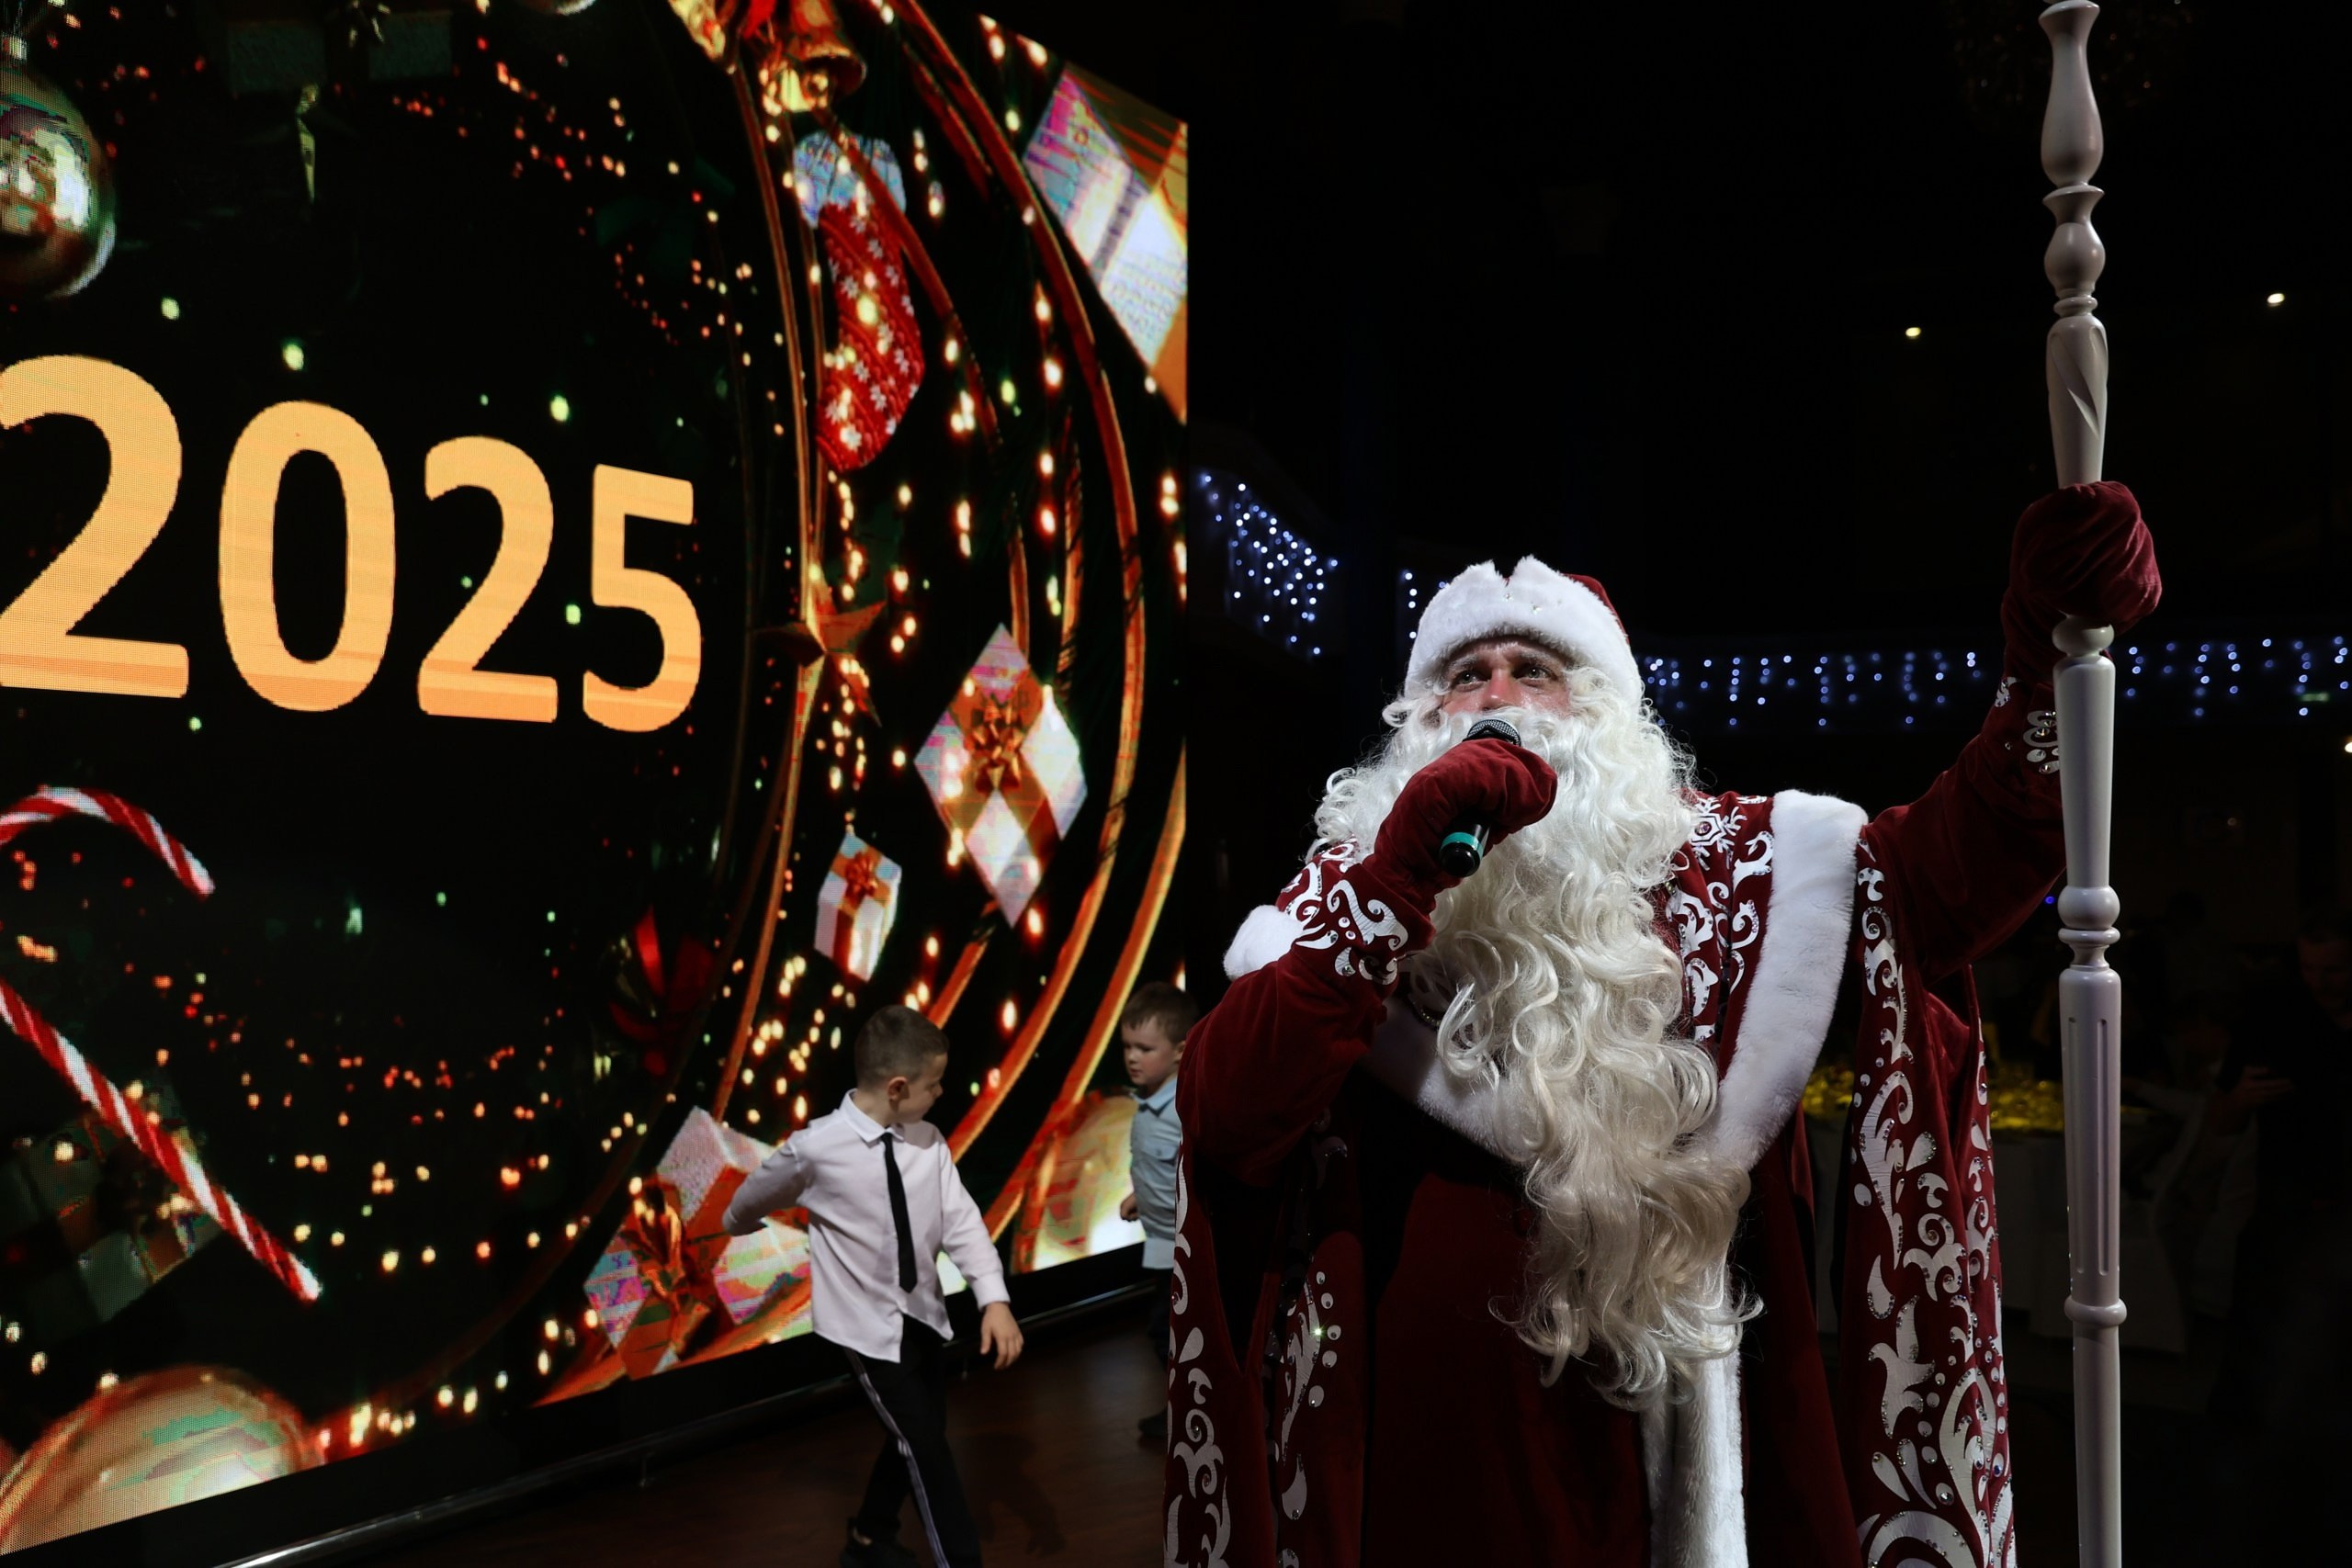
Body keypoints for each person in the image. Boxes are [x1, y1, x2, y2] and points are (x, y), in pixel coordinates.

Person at [1166, 484, 2160, 1568]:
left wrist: (2047, 662)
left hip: (1696, 1432)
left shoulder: (1746, 868)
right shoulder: (1345, 899)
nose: (1496, 698)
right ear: (1415, 727)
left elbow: (1963, 874)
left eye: (1534, 671)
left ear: (1607, 716)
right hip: (1424, 1458)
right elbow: (1224, 1116)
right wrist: (1398, 871)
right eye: (1463, 677)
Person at [725, 1006, 1025, 1568]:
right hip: (866, 1329)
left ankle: (868, 1536)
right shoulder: (816, 1148)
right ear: (896, 1087)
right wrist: (740, 1224)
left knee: (919, 1431)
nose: (941, 1092)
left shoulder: (928, 1141)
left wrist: (995, 1299)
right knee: (928, 1451)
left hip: (924, 1313)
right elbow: (749, 1200)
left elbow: (961, 1222)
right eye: (934, 1084)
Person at [1115, 980, 1197, 1440]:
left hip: (1182, 1250)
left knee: (1168, 1336)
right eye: (1127, 1046)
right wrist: (1139, 1197)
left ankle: (1190, 1418)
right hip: (1162, 1246)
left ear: (1181, 1050)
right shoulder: (1149, 1105)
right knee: (1165, 1337)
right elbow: (1157, 1164)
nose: (1132, 1057)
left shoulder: (1182, 1109)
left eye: (1144, 1048)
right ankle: (1183, 1414)